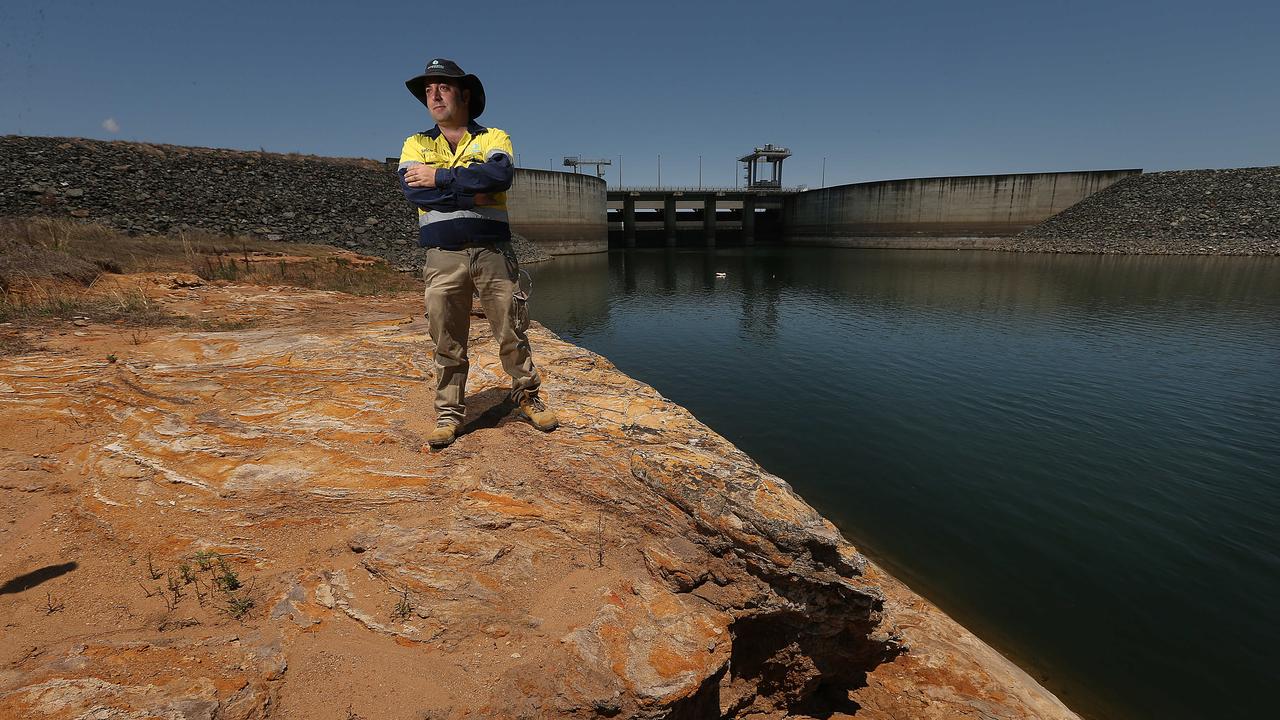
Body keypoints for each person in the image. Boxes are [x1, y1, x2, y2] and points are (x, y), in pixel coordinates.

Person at [398, 58, 558, 449]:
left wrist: (440, 177)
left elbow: (499, 177)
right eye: (428, 89)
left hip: (492, 253)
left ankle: (525, 395)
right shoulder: (415, 143)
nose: (433, 95)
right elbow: (414, 192)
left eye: (443, 87)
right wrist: (472, 188)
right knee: (446, 338)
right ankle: (449, 413)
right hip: (443, 255)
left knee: (511, 329)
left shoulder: (493, 138)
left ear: (464, 94)